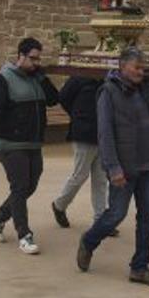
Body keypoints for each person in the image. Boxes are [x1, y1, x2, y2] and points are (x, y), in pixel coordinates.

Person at [76, 48, 149, 287]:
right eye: (137, 68)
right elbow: (105, 134)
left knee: (148, 219)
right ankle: (89, 241)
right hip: (124, 167)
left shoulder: (145, 89)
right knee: (115, 215)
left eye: (144, 68)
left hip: (148, 164)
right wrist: (113, 168)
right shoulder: (108, 92)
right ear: (123, 66)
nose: (141, 72)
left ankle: (140, 267)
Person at [0, 37, 60, 255]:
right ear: (20, 56)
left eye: (38, 59)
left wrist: (43, 77)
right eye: (32, 59)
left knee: (30, 186)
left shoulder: (37, 78)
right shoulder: (3, 79)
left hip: (33, 142)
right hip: (10, 143)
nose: (36, 63)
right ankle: (24, 234)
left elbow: (54, 99)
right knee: (20, 185)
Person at [50, 75, 114, 235]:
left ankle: (100, 220)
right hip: (84, 132)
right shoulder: (79, 78)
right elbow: (63, 97)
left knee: (101, 179)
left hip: (104, 134)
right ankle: (59, 205)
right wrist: (78, 115)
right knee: (80, 175)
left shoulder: (110, 78)